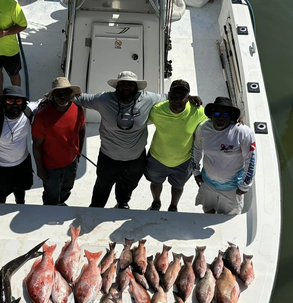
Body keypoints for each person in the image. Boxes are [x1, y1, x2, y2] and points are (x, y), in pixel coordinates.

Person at [75, 71, 201, 209]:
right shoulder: (103, 99)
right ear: (117, 86)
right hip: (108, 157)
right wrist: (52, 97)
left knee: (128, 186)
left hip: (136, 159)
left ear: (137, 87)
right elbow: (80, 99)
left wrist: (189, 98)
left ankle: (122, 204)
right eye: (122, 83)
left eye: (130, 84)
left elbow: (171, 97)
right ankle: (96, 209)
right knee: (102, 186)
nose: (126, 87)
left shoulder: (148, 98)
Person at [146, 80, 208, 212]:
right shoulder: (157, 111)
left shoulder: (197, 111)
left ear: (188, 98)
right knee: (156, 183)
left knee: (178, 186)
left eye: (182, 97)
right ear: (168, 95)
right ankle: (156, 202)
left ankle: (173, 206)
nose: (177, 100)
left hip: (184, 161)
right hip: (157, 158)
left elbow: (213, 123)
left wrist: (235, 120)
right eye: (174, 96)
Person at [192, 97, 257, 215]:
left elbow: (251, 159)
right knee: (208, 212)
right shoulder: (203, 128)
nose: (220, 117)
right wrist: (195, 171)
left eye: (225, 114)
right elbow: (196, 149)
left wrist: (245, 185)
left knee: (228, 219)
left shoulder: (243, 132)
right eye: (216, 113)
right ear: (211, 115)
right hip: (208, 183)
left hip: (232, 188)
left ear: (231, 116)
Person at [0, 86, 39, 204]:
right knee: (0, 195)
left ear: (23, 103)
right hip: (0, 167)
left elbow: (42, 101)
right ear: (3, 103)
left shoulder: (28, 111)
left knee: (20, 189)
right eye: (10, 101)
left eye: (18, 101)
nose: (15, 104)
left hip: (23, 163)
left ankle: (20, 205)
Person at [32, 78, 86, 206]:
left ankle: (61, 203)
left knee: (67, 188)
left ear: (71, 94)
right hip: (51, 166)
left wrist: (78, 153)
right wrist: (40, 168)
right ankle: (50, 209)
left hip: (71, 162)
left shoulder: (78, 110)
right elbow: (37, 146)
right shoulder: (41, 117)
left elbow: (82, 131)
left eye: (65, 93)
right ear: (53, 96)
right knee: (51, 193)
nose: (62, 96)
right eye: (58, 93)